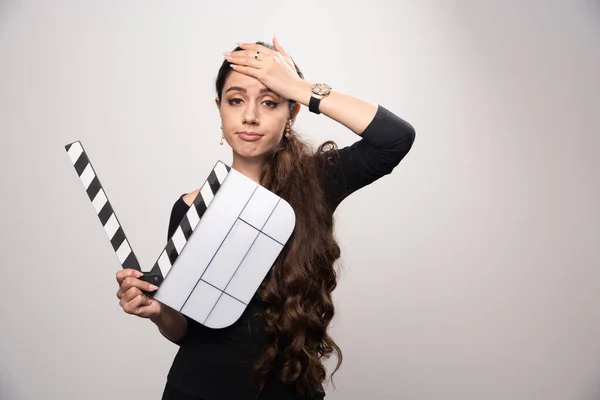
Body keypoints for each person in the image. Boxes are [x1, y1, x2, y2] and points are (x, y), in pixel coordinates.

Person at [115, 37, 416, 400]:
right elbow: (183, 329)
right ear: (220, 109)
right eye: (236, 100)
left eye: (270, 102)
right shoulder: (191, 207)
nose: (250, 116)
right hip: (197, 389)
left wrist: (300, 88)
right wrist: (157, 310)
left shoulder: (318, 182)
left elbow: (395, 138)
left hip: (289, 390)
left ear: (292, 114)